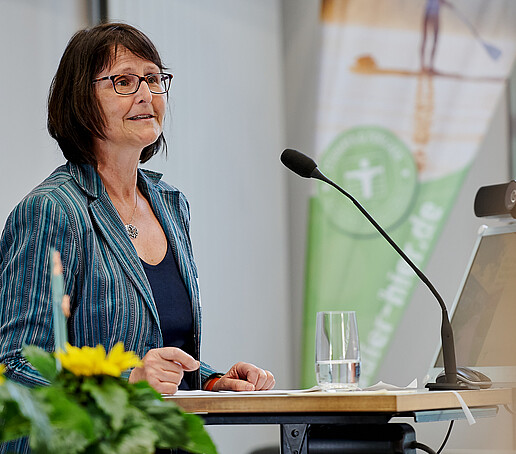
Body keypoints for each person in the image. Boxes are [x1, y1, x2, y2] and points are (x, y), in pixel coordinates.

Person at [0, 22, 274, 452]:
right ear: (80, 98)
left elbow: (158, 353)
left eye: (154, 78)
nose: (146, 93)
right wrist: (126, 380)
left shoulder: (170, 204)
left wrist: (215, 380)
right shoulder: (54, 211)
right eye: (124, 81)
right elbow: (14, 364)